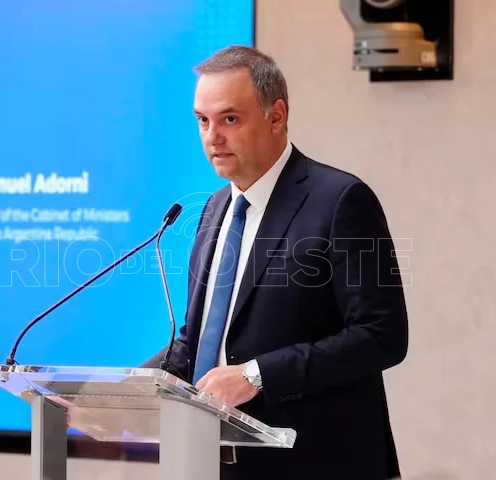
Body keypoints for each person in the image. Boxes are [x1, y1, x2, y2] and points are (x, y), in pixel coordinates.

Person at [142, 46, 409, 479]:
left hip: (315, 462)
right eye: (203, 120)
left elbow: (381, 335)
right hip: (213, 462)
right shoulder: (214, 209)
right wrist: (125, 388)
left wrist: (256, 375)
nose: (213, 136)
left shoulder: (340, 201)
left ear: (276, 116)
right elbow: (201, 339)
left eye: (230, 119)